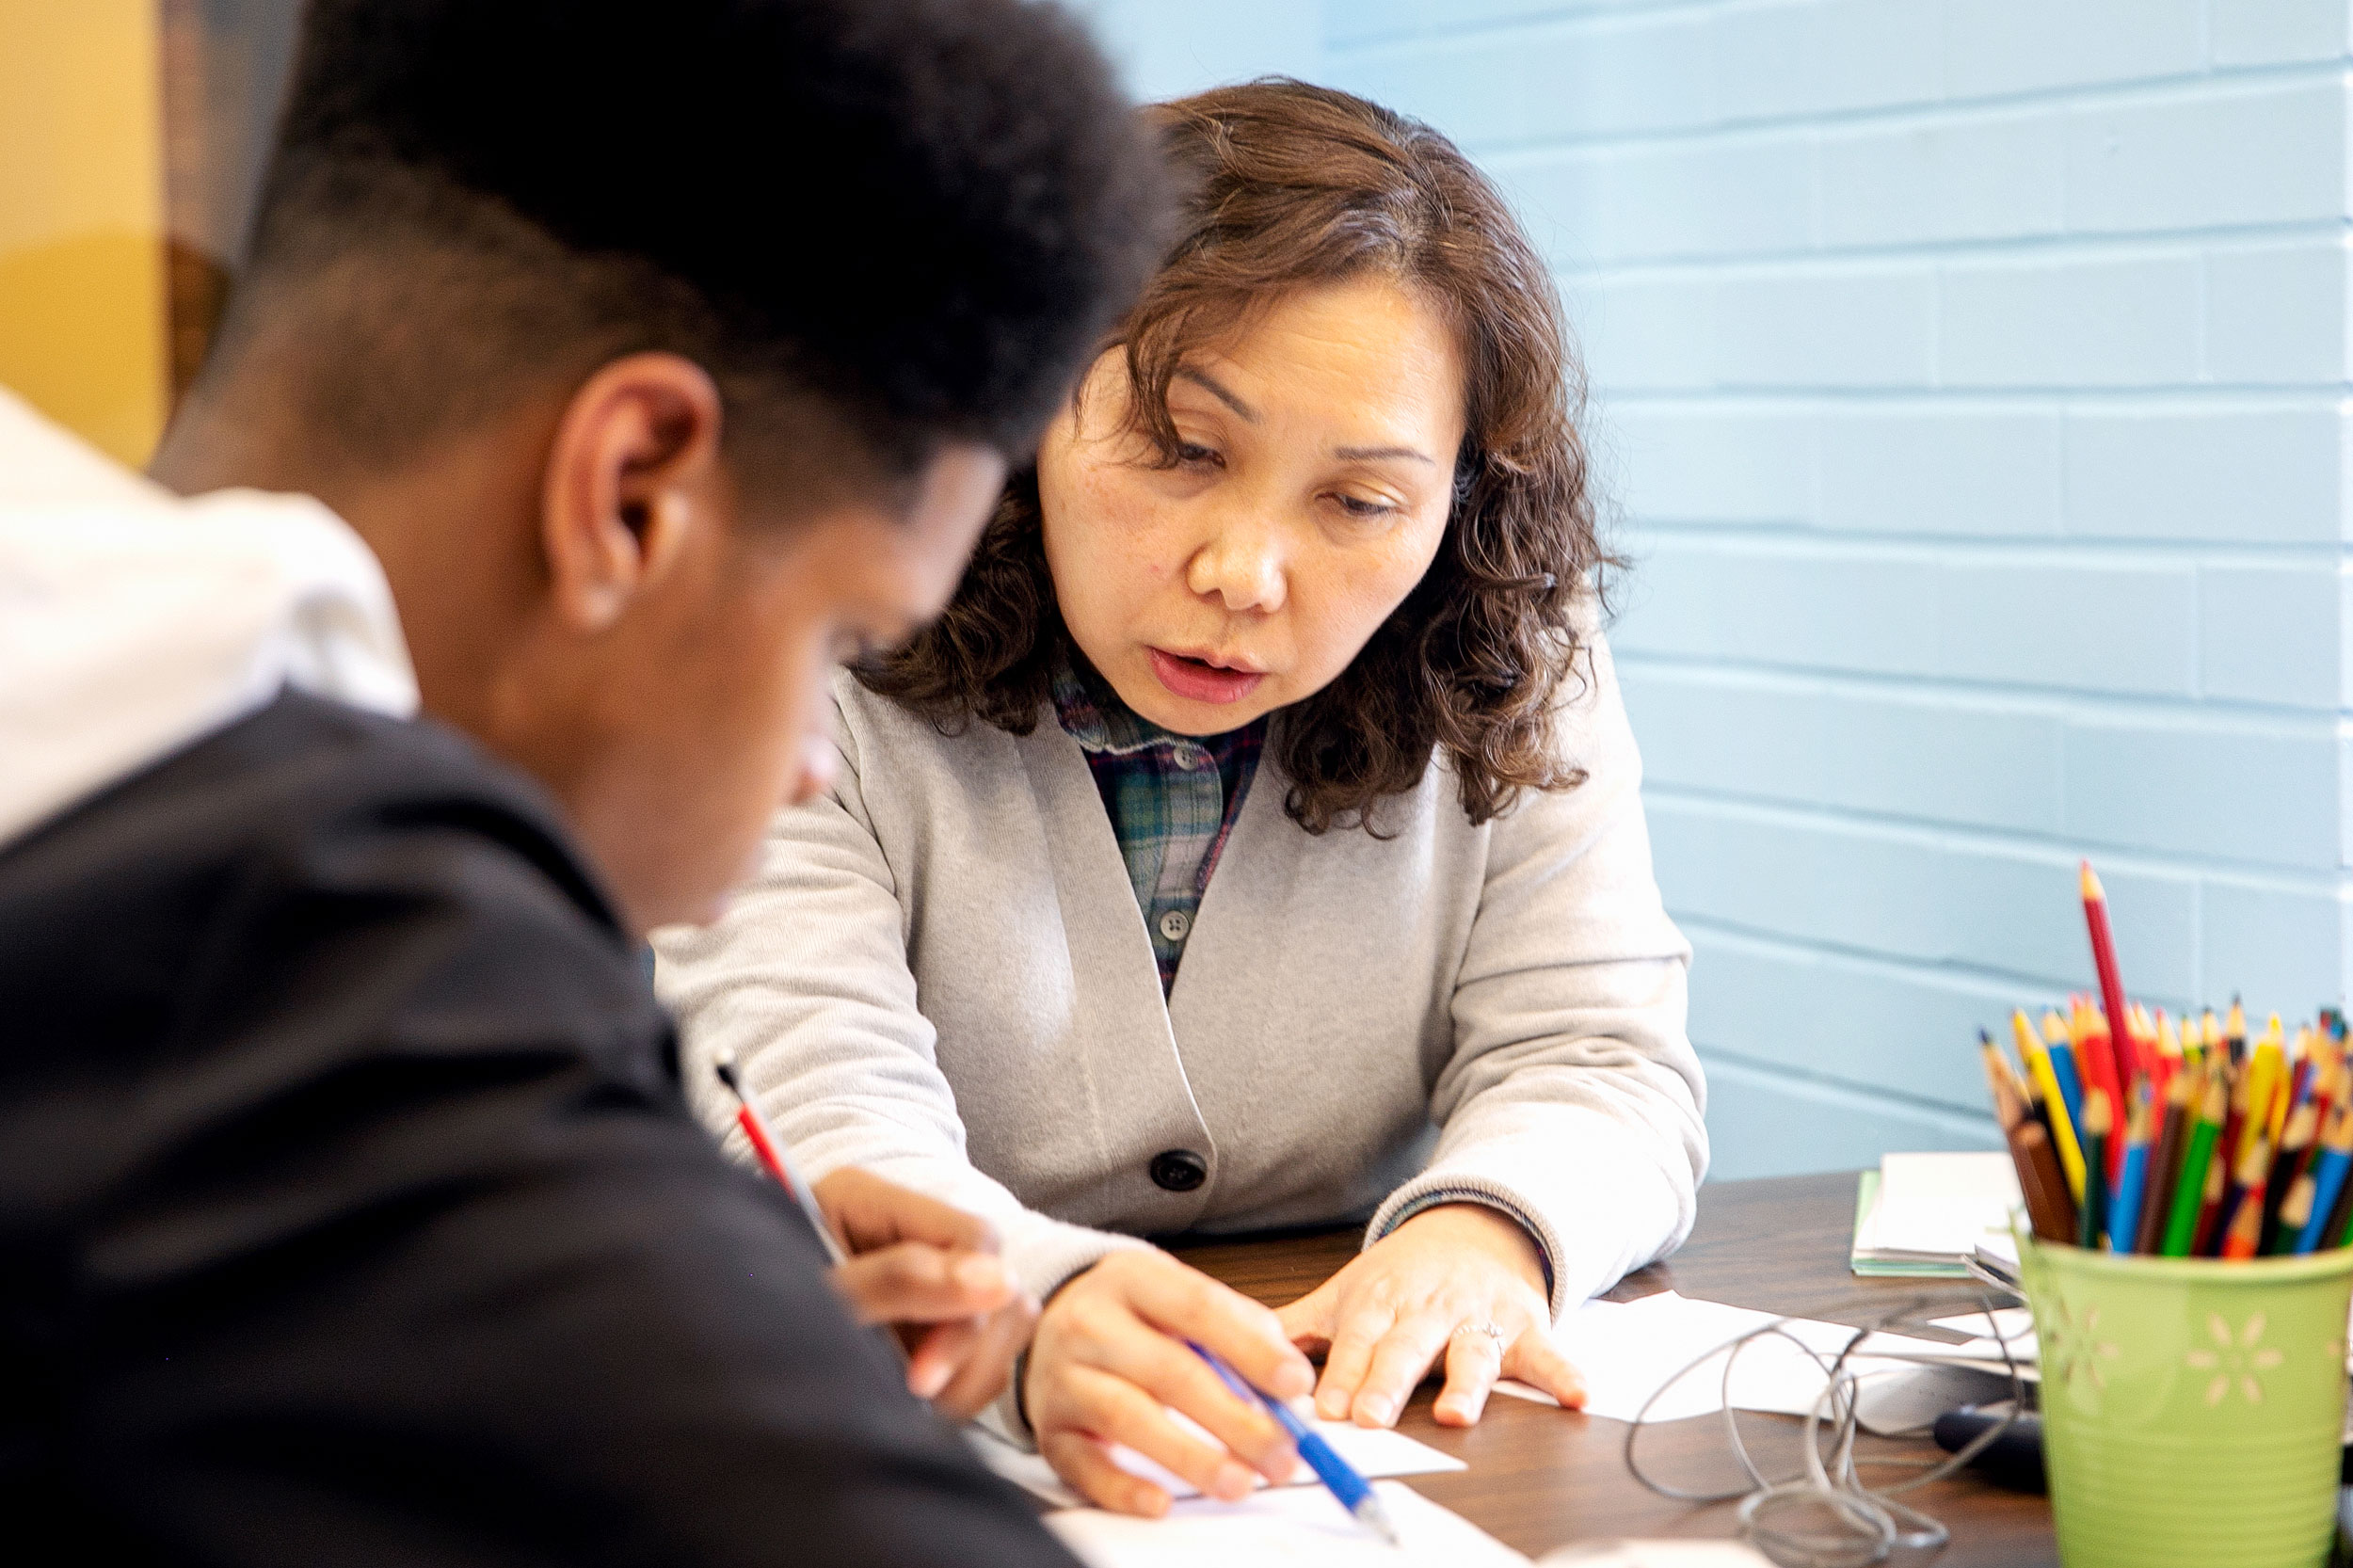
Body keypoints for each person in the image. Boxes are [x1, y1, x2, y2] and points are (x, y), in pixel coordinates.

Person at [0, 2, 1190, 1561]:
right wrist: (655, 1350)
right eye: (840, 628)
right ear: (630, 490)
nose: (808, 769)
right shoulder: (290, 930)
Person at [655, 79, 1709, 1516]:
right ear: (1025, 400)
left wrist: (1486, 1230)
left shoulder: (1508, 644)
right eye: (1184, 449)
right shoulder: (823, 629)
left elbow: (1602, 1054)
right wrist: (1030, 1309)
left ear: (1457, 504)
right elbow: (810, 1102)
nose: (1245, 575)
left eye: (1360, 502)